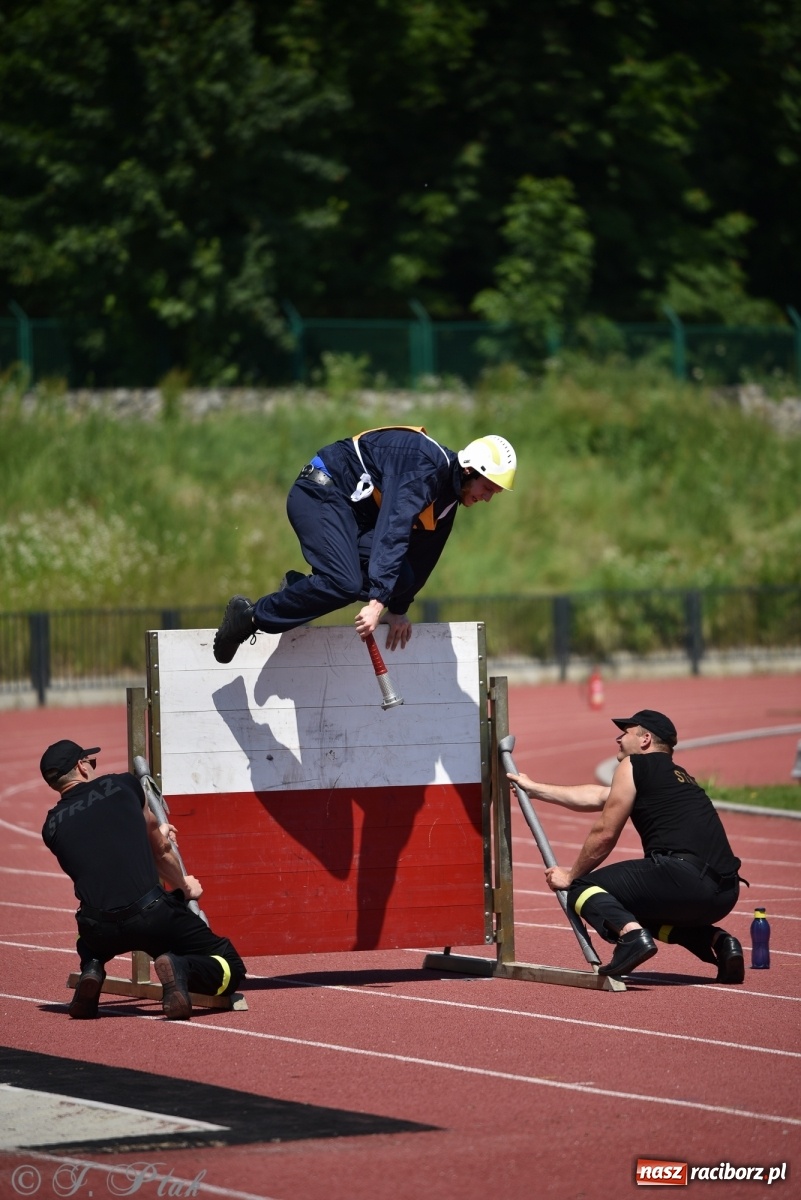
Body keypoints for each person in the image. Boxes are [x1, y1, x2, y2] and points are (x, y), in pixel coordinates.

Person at [213, 427, 516, 663]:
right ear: (468, 471)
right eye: (487, 488)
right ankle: (250, 617)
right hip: (320, 493)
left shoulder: (449, 498)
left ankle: (296, 589)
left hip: (353, 517)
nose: (487, 497)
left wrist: (397, 607)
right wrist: (376, 602)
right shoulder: (424, 467)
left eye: (495, 493)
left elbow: (425, 554)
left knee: (403, 578)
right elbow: (393, 530)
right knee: (344, 583)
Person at [507, 709, 746, 981]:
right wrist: (535, 788)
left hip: (684, 878)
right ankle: (721, 942)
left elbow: (605, 833)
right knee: (643, 910)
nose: (618, 739)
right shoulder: (676, 776)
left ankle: (631, 937)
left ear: (645, 740)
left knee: (583, 888)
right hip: (724, 892)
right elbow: (598, 795)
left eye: (626, 733)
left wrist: (571, 875)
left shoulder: (635, 765)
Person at [41, 739, 246, 1020]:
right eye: (91, 762)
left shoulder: (51, 826)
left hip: (100, 929)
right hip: (152, 917)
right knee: (230, 965)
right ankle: (180, 968)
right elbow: (160, 850)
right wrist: (185, 887)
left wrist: (149, 829)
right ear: (81, 766)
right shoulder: (123, 785)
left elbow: (103, 854)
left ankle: (91, 967)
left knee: (85, 931)